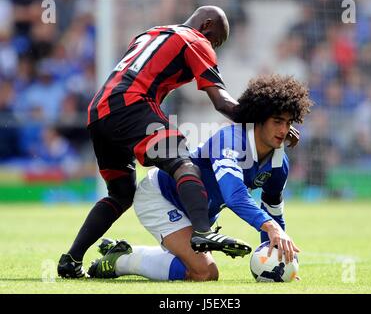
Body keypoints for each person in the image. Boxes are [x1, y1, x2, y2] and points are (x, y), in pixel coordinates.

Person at [57, 6, 299, 278]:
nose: (214, 48)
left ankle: (71, 260)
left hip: (99, 112)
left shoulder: (150, 34)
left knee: (121, 193)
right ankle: (203, 233)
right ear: (207, 25)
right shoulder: (195, 40)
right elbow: (220, 101)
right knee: (181, 160)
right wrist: (260, 115)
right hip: (131, 105)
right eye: (216, 41)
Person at [87, 75, 313, 281]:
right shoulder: (230, 139)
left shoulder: (278, 162)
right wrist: (270, 226)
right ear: (259, 118)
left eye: (289, 122)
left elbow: (273, 209)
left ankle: (126, 251)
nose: (284, 130)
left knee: (195, 267)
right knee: (205, 272)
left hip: (199, 216)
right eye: (277, 121)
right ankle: (123, 260)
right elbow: (234, 195)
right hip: (161, 197)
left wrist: (280, 258)